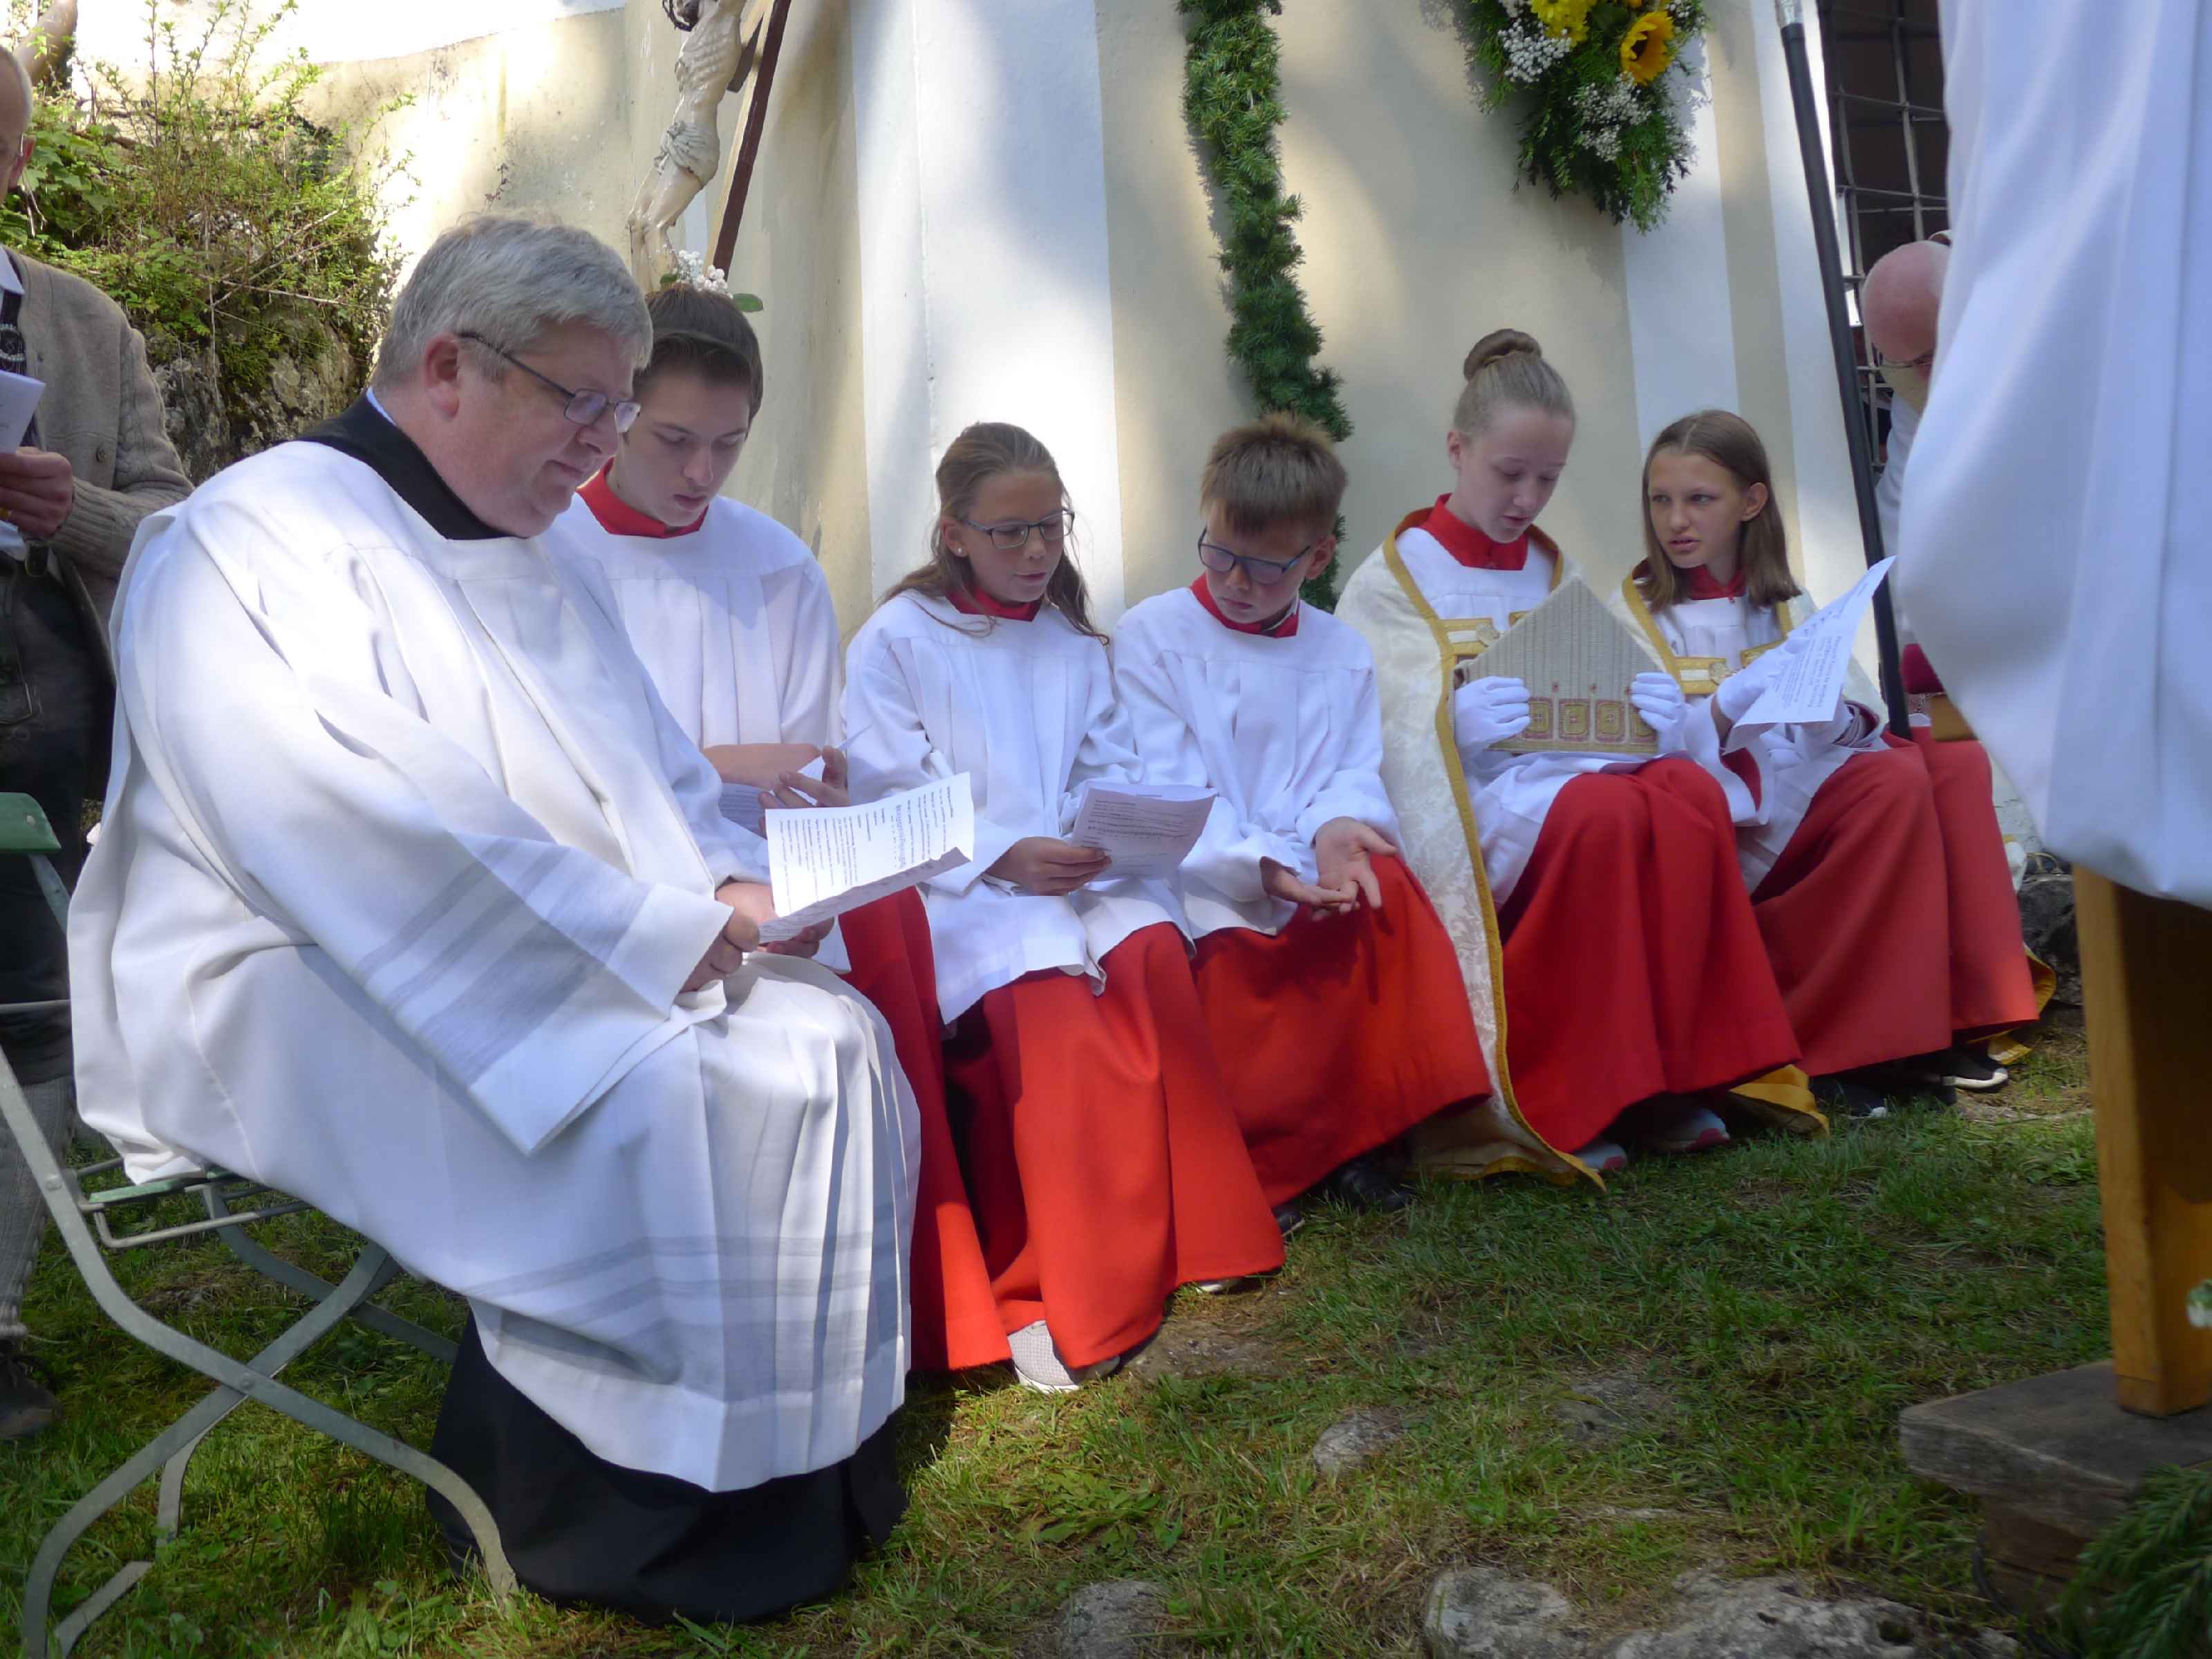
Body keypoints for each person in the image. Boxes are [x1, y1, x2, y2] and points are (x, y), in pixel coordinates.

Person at [66, 215, 917, 1624]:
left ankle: (790, 1486)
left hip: (548, 942)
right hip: (294, 965)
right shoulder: (249, 540)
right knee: (678, 1092)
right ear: (451, 366)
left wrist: (720, 889)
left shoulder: (545, 546)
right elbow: (338, 828)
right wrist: (643, 937)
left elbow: (651, 775)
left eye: (616, 411)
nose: (603, 445)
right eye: (582, 404)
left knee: (829, 1040)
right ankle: (606, 1519)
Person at [543, 279, 995, 1374]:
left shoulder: (776, 563)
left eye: (729, 445)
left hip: (773, 870)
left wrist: (817, 819)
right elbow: (554, 764)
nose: (701, 473)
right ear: (616, 418)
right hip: (620, 880)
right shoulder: (550, 550)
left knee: (890, 929)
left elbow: (810, 762)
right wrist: (724, 766)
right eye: (674, 441)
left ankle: (913, 1306)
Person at [841, 421, 1283, 1391]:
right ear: (954, 534)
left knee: (1153, 945)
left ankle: (1191, 1234)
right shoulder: (897, 642)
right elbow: (886, 792)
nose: (1038, 549)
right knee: (1046, 996)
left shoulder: (1073, 644)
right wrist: (1003, 852)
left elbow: (1105, 762)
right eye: (1011, 533)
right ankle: (1062, 1286)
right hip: (958, 891)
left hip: (1070, 872)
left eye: (1052, 526)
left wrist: (1103, 832)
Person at [1335, 330, 1813, 1179]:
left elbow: (1593, 682)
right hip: (1465, 800)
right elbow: (1360, 727)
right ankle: (1579, 1095)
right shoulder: (1394, 578)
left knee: (1684, 792)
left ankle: (1686, 1074)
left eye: (1548, 479)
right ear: (1456, 450)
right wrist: (1446, 724)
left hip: (1556, 778)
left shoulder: (1550, 567)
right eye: (1509, 473)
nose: (1527, 498)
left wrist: (1651, 717)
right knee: (1603, 814)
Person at [1111, 413, 1490, 1221]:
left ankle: (1357, 1142)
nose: (1234, 582)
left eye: (1264, 567)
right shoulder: (1153, 635)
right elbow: (1167, 785)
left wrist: (1335, 830)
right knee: (1229, 951)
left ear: (1317, 557)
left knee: (1380, 896)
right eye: (1219, 552)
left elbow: (1350, 769)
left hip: (1305, 853)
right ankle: (1261, 1162)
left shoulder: (1339, 649)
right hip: (1203, 864)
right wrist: (1262, 869)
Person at [1620, 410, 2039, 1109]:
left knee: (1952, 765)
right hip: (1725, 820)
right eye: (1660, 500)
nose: (1676, 521)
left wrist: (1835, 718)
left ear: (1751, 502)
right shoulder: (1636, 615)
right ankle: (1855, 1045)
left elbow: (1853, 714)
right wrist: (1725, 712)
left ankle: (1957, 1012)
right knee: (1892, 781)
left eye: (1699, 499)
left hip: (1805, 792)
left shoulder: (1786, 603)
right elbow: (1639, 753)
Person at [0, 41, 191, 1441]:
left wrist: (75, 513)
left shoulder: (84, 325)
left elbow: (180, 530)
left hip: (49, 685)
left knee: (35, 1002)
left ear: (17, 159)